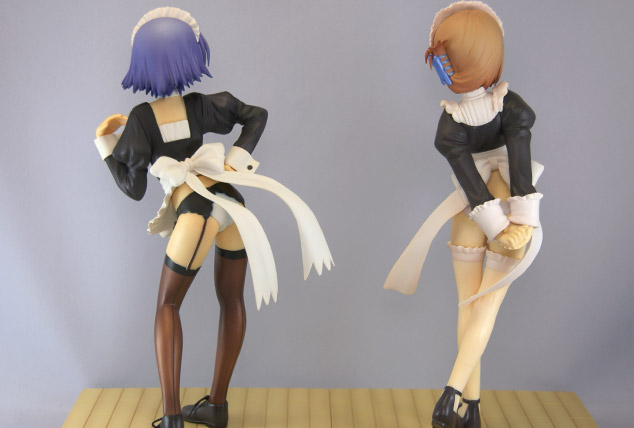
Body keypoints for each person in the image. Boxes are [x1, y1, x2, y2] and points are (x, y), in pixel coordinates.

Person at [93, 8, 332, 428]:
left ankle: (172, 418)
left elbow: (133, 188)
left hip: (197, 213)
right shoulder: (201, 105)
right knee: (231, 300)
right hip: (232, 205)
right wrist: (233, 163)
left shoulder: (142, 119)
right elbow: (256, 114)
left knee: (167, 305)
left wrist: (105, 145)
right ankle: (216, 406)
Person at [384, 2, 543, 427]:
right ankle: (453, 395)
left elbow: (473, 186)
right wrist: (517, 221)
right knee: (484, 308)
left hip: (471, 210)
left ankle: (468, 408)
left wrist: (499, 221)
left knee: (466, 306)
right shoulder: (513, 109)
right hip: (506, 207)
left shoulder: (450, 127)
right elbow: (521, 170)